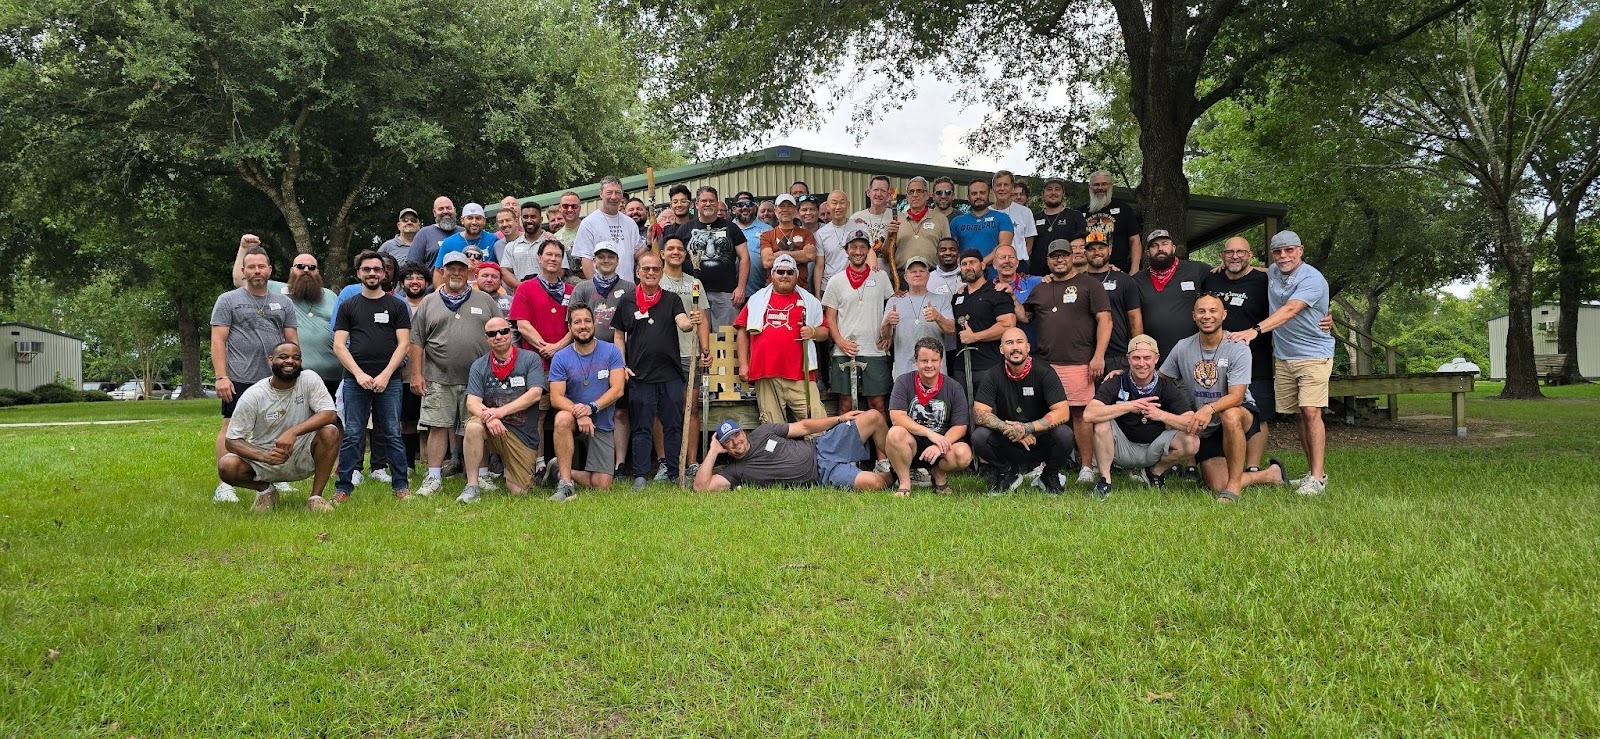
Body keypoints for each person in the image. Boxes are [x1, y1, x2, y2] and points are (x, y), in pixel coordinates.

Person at [1228, 230, 1334, 496]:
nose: (1284, 256)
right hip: (1285, 355)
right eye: (1278, 251)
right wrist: (1225, 267)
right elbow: (1258, 270)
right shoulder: (1275, 271)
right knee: (1300, 414)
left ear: (1301, 250)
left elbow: (1290, 310)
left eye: (1289, 250)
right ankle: (1312, 473)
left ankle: (1318, 478)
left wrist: (1255, 330)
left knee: (1311, 412)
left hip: (1313, 354)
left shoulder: (1312, 279)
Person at [1160, 294, 1290, 502]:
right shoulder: (1182, 347)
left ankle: (1234, 488)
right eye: (1201, 311)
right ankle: (1270, 474)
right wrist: (1124, 377)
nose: (1207, 316)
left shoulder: (1237, 346)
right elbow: (1159, 379)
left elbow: (1237, 396)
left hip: (1239, 413)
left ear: (1224, 315)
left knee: (1229, 415)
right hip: (1207, 426)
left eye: (1213, 311)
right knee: (1216, 484)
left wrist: (1208, 409)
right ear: (1193, 316)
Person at [408, 252, 503, 497]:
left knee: (477, 427)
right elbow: (416, 341)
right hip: (438, 377)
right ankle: (433, 477)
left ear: (469, 272)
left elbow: (501, 334)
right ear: (442, 271)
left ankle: (482, 475)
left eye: (462, 268)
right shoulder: (428, 302)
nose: (457, 273)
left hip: (479, 381)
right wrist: (416, 375)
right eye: (451, 268)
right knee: (438, 426)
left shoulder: (485, 300)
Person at [211, 243, 299, 503]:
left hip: (275, 378)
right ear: (243, 270)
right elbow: (218, 340)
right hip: (239, 377)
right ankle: (225, 485)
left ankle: (277, 476)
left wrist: (295, 372)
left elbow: (292, 341)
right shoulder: (228, 300)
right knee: (230, 428)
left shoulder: (284, 302)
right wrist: (221, 376)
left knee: (278, 426)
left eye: (261, 266)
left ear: (270, 270)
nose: (257, 271)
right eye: (252, 267)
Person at [1021, 239, 1111, 485]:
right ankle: (1044, 464)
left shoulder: (1089, 284)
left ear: (1073, 257)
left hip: (1078, 361)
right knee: (1045, 413)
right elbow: (1025, 316)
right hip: (1045, 363)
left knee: (1080, 414)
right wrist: (1009, 294)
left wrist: (1098, 356)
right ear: (1048, 261)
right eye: (1054, 256)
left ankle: (1086, 466)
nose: (1059, 260)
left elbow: (1105, 320)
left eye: (1063, 255)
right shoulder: (1040, 288)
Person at [218, 341, 341, 513]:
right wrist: (265, 456)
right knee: (227, 465)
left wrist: (293, 432)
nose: (290, 361)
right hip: (266, 459)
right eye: (283, 357)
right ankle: (266, 491)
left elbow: (329, 414)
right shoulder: (254, 395)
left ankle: (316, 498)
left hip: (303, 454)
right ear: (271, 360)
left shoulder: (309, 379)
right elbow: (232, 441)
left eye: (296, 358)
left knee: (330, 431)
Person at [331, 250, 414, 501]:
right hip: (355, 380)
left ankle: (401, 487)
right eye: (367, 269)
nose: (372, 273)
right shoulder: (348, 306)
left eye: (377, 269)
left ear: (384, 273)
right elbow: (338, 345)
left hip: (390, 381)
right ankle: (343, 488)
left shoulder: (397, 305)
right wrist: (359, 374)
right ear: (359, 273)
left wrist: (386, 375)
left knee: (392, 433)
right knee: (353, 433)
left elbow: (404, 344)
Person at [612, 250, 697, 489]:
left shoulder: (671, 299)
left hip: (670, 375)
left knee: (673, 425)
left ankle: (674, 472)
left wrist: (690, 323)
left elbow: (682, 322)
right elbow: (618, 336)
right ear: (638, 272)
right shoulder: (627, 301)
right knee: (642, 426)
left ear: (661, 273)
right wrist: (621, 365)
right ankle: (640, 475)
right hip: (640, 375)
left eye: (656, 269)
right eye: (646, 269)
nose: (651, 272)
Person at [1082, 334, 1201, 499]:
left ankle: (1155, 472)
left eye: (1147, 358)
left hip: (1154, 449)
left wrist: (1160, 415)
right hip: (1121, 448)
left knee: (1192, 441)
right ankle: (1105, 480)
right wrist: (1130, 406)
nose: (1142, 363)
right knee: (1101, 422)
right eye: (1136, 358)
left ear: (1156, 359)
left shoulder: (1166, 387)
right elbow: (1089, 414)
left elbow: (1192, 422)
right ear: (1128, 359)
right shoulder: (1117, 381)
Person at [970, 328, 1076, 495]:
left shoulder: (1045, 372)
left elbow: (1062, 412)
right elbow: (979, 413)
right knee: (979, 436)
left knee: (1065, 434)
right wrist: (1009, 428)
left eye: (1019, 342)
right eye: (1009, 343)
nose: (1015, 347)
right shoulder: (992, 375)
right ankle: (1007, 474)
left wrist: (1027, 428)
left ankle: (1049, 475)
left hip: (1039, 439)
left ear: (1028, 347)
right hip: (1008, 440)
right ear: (1001, 349)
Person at [230, 242, 341, 399]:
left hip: (333, 375)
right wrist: (243, 248)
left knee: (331, 414)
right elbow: (240, 280)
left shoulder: (331, 296)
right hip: (294, 375)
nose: (306, 270)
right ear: (292, 270)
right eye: (300, 266)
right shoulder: (277, 291)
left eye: (312, 267)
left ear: (318, 272)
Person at [1203, 236, 1275, 471]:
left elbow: (1295, 289)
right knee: (1226, 411)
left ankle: (1253, 467)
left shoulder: (1265, 280)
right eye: (1230, 252)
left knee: (1259, 413)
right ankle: (1229, 462)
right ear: (1222, 256)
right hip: (1218, 359)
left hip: (1256, 357)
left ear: (1250, 255)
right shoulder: (1211, 278)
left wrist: (1324, 313)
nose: (1235, 256)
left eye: (1241, 252)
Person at [458, 317, 547, 503]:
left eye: (503, 331)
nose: (498, 336)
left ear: (511, 333)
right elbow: (472, 403)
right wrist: (489, 417)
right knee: (473, 427)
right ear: (486, 339)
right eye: (492, 334)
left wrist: (499, 412)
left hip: (521, 435)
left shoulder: (530, 359)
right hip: (491, 427)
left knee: (519, 492)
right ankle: (472, 486)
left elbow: (535, 394)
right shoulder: (479, 365)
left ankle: (537, 470)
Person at [693, 411, 892, 492]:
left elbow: (804, 427)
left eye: (736, 435)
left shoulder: (763, 432)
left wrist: (839, 418)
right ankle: (895, 475)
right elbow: (701, 488)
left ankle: (899, 463)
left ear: (743, 432)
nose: (735, 442)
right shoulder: (736, 471)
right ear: (724, 447)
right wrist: (712, 451)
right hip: (823, 475)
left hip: (822, 446)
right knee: (875, 483)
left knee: (873, 416)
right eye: (728, 441)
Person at [548, 304, 627, 501]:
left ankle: (558, 470)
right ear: (570, 327)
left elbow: (618, 389)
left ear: (594, 324)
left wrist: (591, 408)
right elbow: (556, 397)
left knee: (602, 485)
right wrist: (580, 413)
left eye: (587, 321)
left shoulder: (611, 351)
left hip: (601, 420)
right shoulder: (561, 357)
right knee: (562, 418)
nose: (583, 326)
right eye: (577, 322)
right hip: (574, 418)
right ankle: (566, 485)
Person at [736, 254, 827, 424]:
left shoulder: (809, 301)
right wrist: (743, 365)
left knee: (817, 422)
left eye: (790, 272)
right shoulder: (756, 299)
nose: (785, 275)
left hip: (801, 374)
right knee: (772, 426)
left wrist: (813, 332)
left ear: (796, 276)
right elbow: (742, 331)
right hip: (765, 372)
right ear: (772, 274)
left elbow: (825, 331)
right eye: (780, 272)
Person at [885, 337, 972, 497]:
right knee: (894, 433)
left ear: (941, 361)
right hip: (911, 442)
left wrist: (939, 445)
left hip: (942, 445)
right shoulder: (903, 382)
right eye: (924, 360)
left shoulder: (954, 387)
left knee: (963, 454)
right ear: (916, 361)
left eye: (934, 360)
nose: (929, 365)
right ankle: (904, 483)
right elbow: (897, 417)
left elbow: (960, 426)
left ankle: (938, 473)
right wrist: (929, 433)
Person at [822, 230, 894, 416]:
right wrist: (840, 342)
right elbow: (830, 317)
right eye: (853, 247)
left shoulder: (881, 277)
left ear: (869, 250)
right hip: (845, 350)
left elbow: (891, 308)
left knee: (877, 404)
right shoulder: (836, 281)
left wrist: (889, 334)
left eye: (863, 247)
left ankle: (880, 437)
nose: (858, 251)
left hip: (874, 349)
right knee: (845, 405)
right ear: (846, 250)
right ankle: (846, 436)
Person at [659, 236, 712, 469]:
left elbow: (703, 319)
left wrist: (705, 349)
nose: (676, 252)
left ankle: (691, 463)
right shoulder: (656, 280)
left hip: (689, 353)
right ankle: (664, 462)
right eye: (670, 248)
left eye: (680, 249)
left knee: (690, 408)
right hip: (662, 354)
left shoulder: (695, 283)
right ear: (662, 253)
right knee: (661, 408)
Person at [672, 185, 748, 328]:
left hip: (726, 293)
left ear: (717, 203)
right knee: (697, 335)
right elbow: (674, 258)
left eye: (712, 200)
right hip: (693, 292)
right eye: (704, 201)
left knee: (725, 337)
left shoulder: (731, 228)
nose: (708, 204)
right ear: (696, 204)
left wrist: (741, 288)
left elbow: (744, 258)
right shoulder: (685, 229)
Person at [1130, 229, 1211, 358]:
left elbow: (1226, 277)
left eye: (1164, 243)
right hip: (1154, 356)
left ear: (1173, 248)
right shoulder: (1137, 280)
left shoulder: (1196, 270)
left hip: (1193, 354)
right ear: (1147, 253)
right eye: (1154, 246)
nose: (1160, 248)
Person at [949, 248, 1017, 390]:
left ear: (983, 265)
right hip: (961, 367)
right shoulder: (957, 297)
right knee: (963, 404)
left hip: (989, 365)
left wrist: (975, 337)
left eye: (972, 262)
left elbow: (1008, 325)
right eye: (964, 264)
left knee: (990, 405)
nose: (968, 267)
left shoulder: (997, 292)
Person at [882, 257, 954, 377]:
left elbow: (951, 330)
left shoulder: (942, 300)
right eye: (913, 272)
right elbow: (885, 336)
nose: (917, 274)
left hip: (934, 370)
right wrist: (887, 323)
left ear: (928, 275)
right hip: (904, 370)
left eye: (922, 271)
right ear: (906, 277)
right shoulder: (894, 301)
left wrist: (938, 317)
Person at [1082, 232, 1143, 374]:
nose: (1096, 252)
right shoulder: (1078, 281)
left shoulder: (1125, 280)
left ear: (1109, 250)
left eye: (1101, 248)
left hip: (1118, 354)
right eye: (1091, 249)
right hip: (1084, 354)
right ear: (1085, 253)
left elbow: (1134, 318)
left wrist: (1137, 350)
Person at [574, 175, 645, 283]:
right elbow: (586, 260)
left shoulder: (630, 223)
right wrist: (596, 288)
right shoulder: (589, 223)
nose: (614, 197)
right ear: (601, 193)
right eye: (609, 192)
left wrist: (649, 242)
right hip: (602, 288)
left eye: (617, 193)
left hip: (628, 286)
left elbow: (636, 255)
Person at [1080, 170, 1143, 273]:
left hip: (1120, 270)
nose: (1100, 187)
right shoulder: (1079, 212)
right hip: (1088, 271)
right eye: (1096, 184)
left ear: (1111, 186)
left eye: (1104, 184)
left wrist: (1134, 269)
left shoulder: (1124, 209)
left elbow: (1135, 240)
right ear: (1090, 187)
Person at [949, 179, 1015, 268]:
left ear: (989, 194)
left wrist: (981, 263)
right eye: (974, 193)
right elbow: (952, 249)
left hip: (994, 273)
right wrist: (968, 265)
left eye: (982, 193)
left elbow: (1004, 246)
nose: (978, 196)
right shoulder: (957, 221)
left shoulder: (1003, 218)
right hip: (966, 272)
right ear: (968, 197)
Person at [432, 202, 500, 287]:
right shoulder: (449, 243)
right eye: (470, 218)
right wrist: (440, 292)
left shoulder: (494, 240)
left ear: (484, 221)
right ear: (462, 220)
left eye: (478, 218)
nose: (474, 222)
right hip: (456, 289)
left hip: (487, 290)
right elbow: (439, 272)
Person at [893, 176, 950, 278]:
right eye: (911, 192)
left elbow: (947, 249)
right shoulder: (896, 220)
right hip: (903, 276)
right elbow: (887, 253)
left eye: (919, 191)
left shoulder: (941, 219)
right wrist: (889, 235)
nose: (915, 195)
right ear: (907, 197)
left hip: (933, 275)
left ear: (927, 195)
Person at [1031, 177, 1087, 277]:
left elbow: (1084, 246)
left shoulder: (1075, 216)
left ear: (1063, 193)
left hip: (1066, 274)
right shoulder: (1033, 218)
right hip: (1037, 276)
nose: (1053, 193)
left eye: (1057, 189)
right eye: (1049, 189)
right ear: (1042, 193)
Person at [759, 194, 817, 287]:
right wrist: (799, 255)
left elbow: (809, 255)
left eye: (789, 206)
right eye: (781, 206)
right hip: (774, 288)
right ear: (775, 210)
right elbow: (767, 261)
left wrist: (779, 254)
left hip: (800, 287)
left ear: (795, 210)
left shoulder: (806, 234)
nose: (785, 209)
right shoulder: (767, 235)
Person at [850, 175, 897, 273]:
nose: (879, 194)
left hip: (886, 275)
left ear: (888, 195)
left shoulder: (895, 217)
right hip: (860, 275)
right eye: (876, 190)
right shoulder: (856, 218)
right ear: (868, 192)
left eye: (883, 191)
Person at [992, 170, 1037, 270]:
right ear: (993, 188)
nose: (1002, 188)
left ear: (1012, 188)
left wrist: (1021, 262)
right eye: (998, 185)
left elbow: (1029, 243)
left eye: (1006, 185)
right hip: (994, 266)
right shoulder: (987, 212)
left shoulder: (1025, 212)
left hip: (1020, 265)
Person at [813, 190, 853, 295]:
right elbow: (819, 266)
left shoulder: (859, 227)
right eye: (834, 203)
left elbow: (869, 254)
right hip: (829, 287)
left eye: (842, 202)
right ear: (828, 206)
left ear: (848, 205)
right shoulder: (821, 233)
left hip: (853, 286)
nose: (838, 207)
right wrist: (817, 294)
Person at [732, 190, 773, 292]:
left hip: (760, 291)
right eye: (740, 205)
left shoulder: (768, 230)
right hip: (730, 292)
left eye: (748, 204)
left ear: (754, 207)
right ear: (734, 209)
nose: (744, 207)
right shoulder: (726, 229)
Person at [405, 196, 460, 270]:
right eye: (441, 209)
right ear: (434, 213)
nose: (445, 211)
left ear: (455, 210)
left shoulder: (463, 233)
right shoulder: (424, 234)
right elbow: (412, 267)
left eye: (448, 208)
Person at [499, 200, 546, 285]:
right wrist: (522, 287)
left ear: (541, 219)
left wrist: (542, 287)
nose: (529, 220)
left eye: (533, 216)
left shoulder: (553, 243)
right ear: (521, 219)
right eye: (525, 217)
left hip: (547, 291)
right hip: (521, 291)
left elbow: (561, 270)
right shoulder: (511, 246)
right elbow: (505, 271)